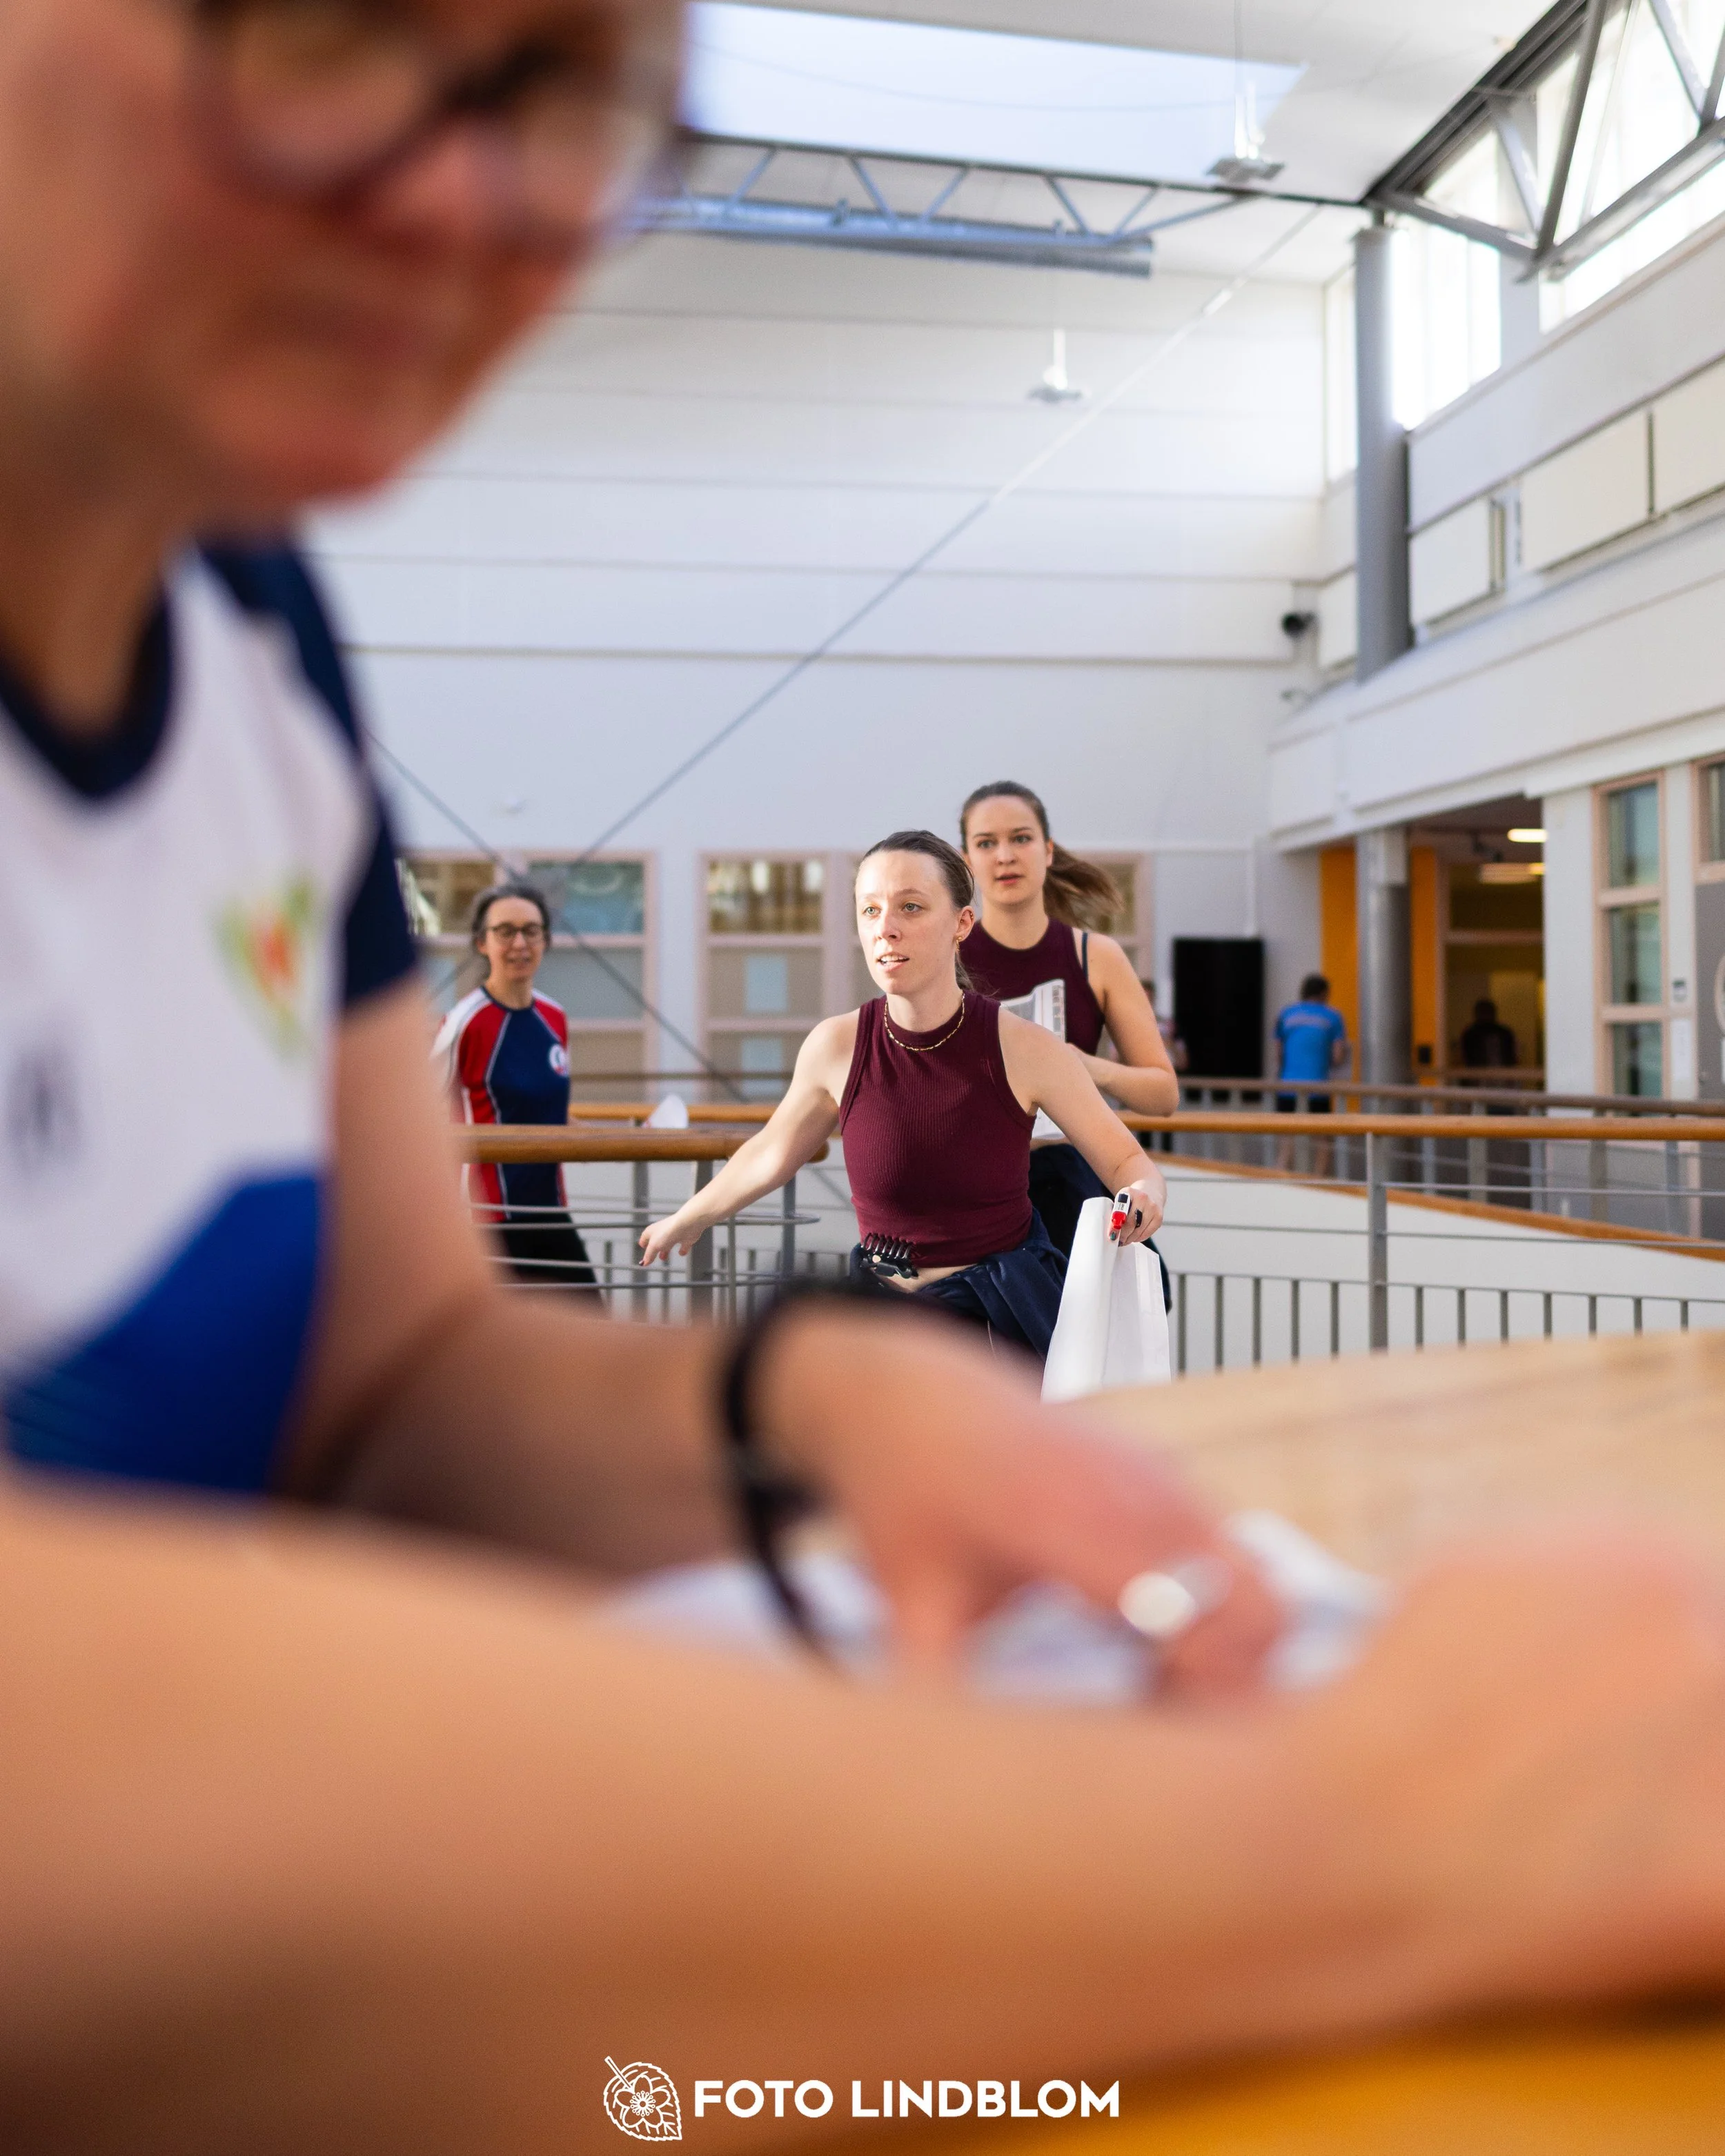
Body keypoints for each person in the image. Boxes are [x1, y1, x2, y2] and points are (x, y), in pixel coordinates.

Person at [1, 1, 1725, 2135]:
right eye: (333, 27)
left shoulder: (248, 629)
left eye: (576, 98)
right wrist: (1341, 1838)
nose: (476, 187)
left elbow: (385, 1385)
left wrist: (785, 1405)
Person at [640, 833, 1166, 1359]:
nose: (885, 928)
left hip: (994, 1322)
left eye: (911, 907)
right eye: (869, 910)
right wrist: (689, 1216)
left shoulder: (1025, 1047)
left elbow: (1130, 1164)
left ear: (963, 923)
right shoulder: (835, 1045)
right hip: (879, 1319)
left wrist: (1141, 1196)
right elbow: (771, 1153)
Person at [958, 782, 1179, 1255]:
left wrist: (1078, 1065)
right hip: (977, 1188)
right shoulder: (945, 959)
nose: (1005, 856)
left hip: (1071, 1184)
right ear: (967, 861)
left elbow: (1162, 1093)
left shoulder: (1095, 955)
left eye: (1021, 838)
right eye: (986, 843)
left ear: (1049, 850)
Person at [434, 880, 599, 1296]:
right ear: (481, 943)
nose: (520, 942)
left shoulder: (554, 1017)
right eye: (505, 931)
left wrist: (612, 1141)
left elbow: (548, 1112)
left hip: (550, 1210)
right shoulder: (465, 1022)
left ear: (546, 940)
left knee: (588, 1323)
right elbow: (421, 1110)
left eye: (531, 930)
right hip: (485, 1221)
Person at [1274, 973, 1350, 1176]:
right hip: (1318, 1084)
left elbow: (1278, 1052)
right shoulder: (1333, 1016)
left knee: (1287, 1134)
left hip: (1288, 1083)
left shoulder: (1286, 1014)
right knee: (1322, 1136)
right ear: (1325, 993)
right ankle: (1319, 1177)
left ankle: (1281, 1173)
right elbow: (1338, 1055)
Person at [1460, 997, 1519, 1071]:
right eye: (1483, 1012)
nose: (1486, 1016)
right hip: (1478, 1076)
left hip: (1503, 1076)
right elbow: (1466, 1058)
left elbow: (1512, 1057)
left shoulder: (1504, 1033)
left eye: (1488, 1012)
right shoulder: (1471, 1035)